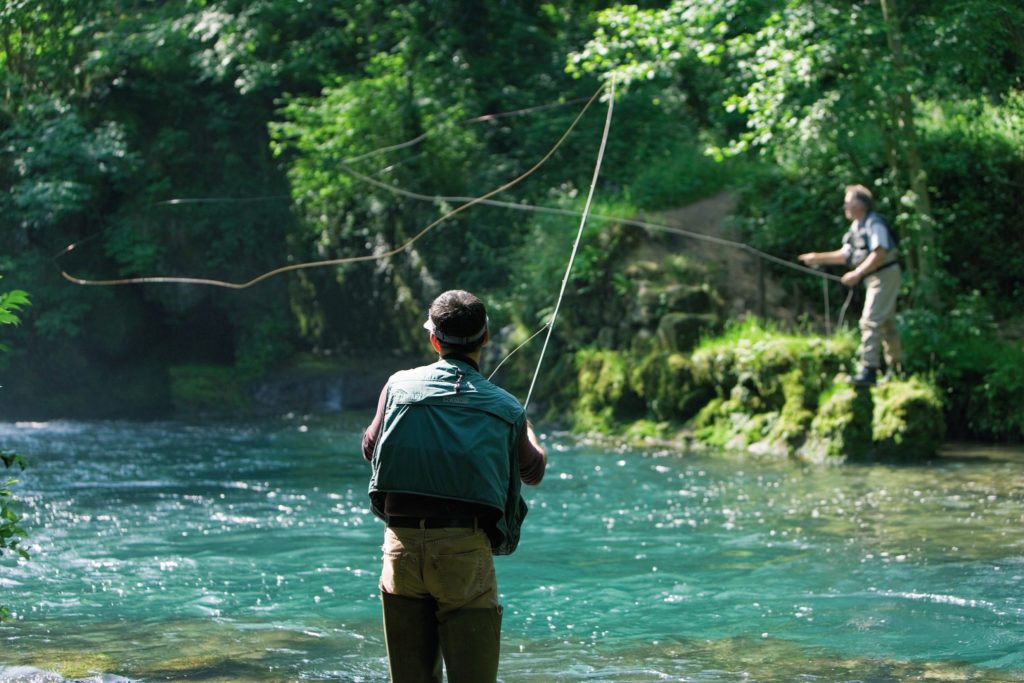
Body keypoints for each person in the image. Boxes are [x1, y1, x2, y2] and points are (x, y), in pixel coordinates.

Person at [361, 289, 547, 683]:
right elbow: (533, 471)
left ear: (434, 339)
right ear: (485, 339)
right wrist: (525, 425)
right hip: (464, 554)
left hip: (401, 551)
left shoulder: (397, 387)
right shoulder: (507, 408)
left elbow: (370, 448)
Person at [798, 184, 903, 386]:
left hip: (884, 275)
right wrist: (816, 257)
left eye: (849, 200)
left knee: (870, 321)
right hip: (875, 276)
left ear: (862, 204)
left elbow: (880, 253)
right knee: (887, 324)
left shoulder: (874, 223)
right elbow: (845, 254)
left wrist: (857, 273)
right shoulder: (856, 227)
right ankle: (897, 371)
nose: (845, 204)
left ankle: (868, 371)